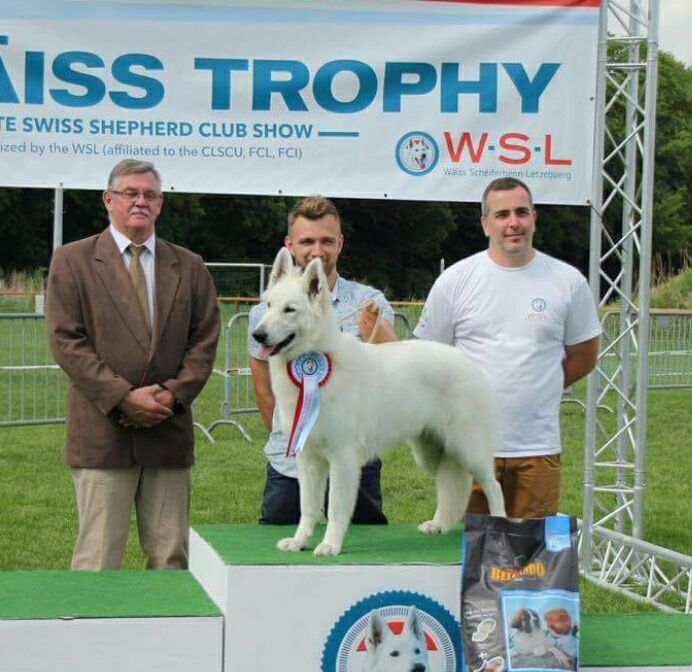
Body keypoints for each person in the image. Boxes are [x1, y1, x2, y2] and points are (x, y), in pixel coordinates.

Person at [46, 159, 220, 570]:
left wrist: (171, 396)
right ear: (108, 200)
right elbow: (66, 340)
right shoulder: (72, 261)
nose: (140, 201)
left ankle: (169, 637)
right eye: (130, 193)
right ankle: (88, 637)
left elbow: (204, 341)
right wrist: (123, 397)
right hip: (103, 435)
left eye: (150, 194)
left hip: (168, 430)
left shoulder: (190, 266)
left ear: (160, 204)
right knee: (97, 562)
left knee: (171, 560)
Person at [414, 177, 600, 518]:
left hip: (537, 448)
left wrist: (538, 387)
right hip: (468, 449)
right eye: (501, 215)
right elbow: (428, 360)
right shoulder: (455, 281)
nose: (513, 222)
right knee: (468, 557)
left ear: (534, 218)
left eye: (521, 212)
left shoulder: (567, 281)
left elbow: (585, 355)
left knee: (531, 561)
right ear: (486, 224)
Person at [248, 195, 397, 525]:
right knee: (280, 567)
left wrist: (378, 329)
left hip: (357, 460)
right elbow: (265, 392)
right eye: (307, 241)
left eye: (327, 240)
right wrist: (300, 435)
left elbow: (393, 366)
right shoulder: (265, 313)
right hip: (289, 465)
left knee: (362, 562)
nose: (318, 249)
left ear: (340, 243)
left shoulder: (369, 301)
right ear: (290, 244)